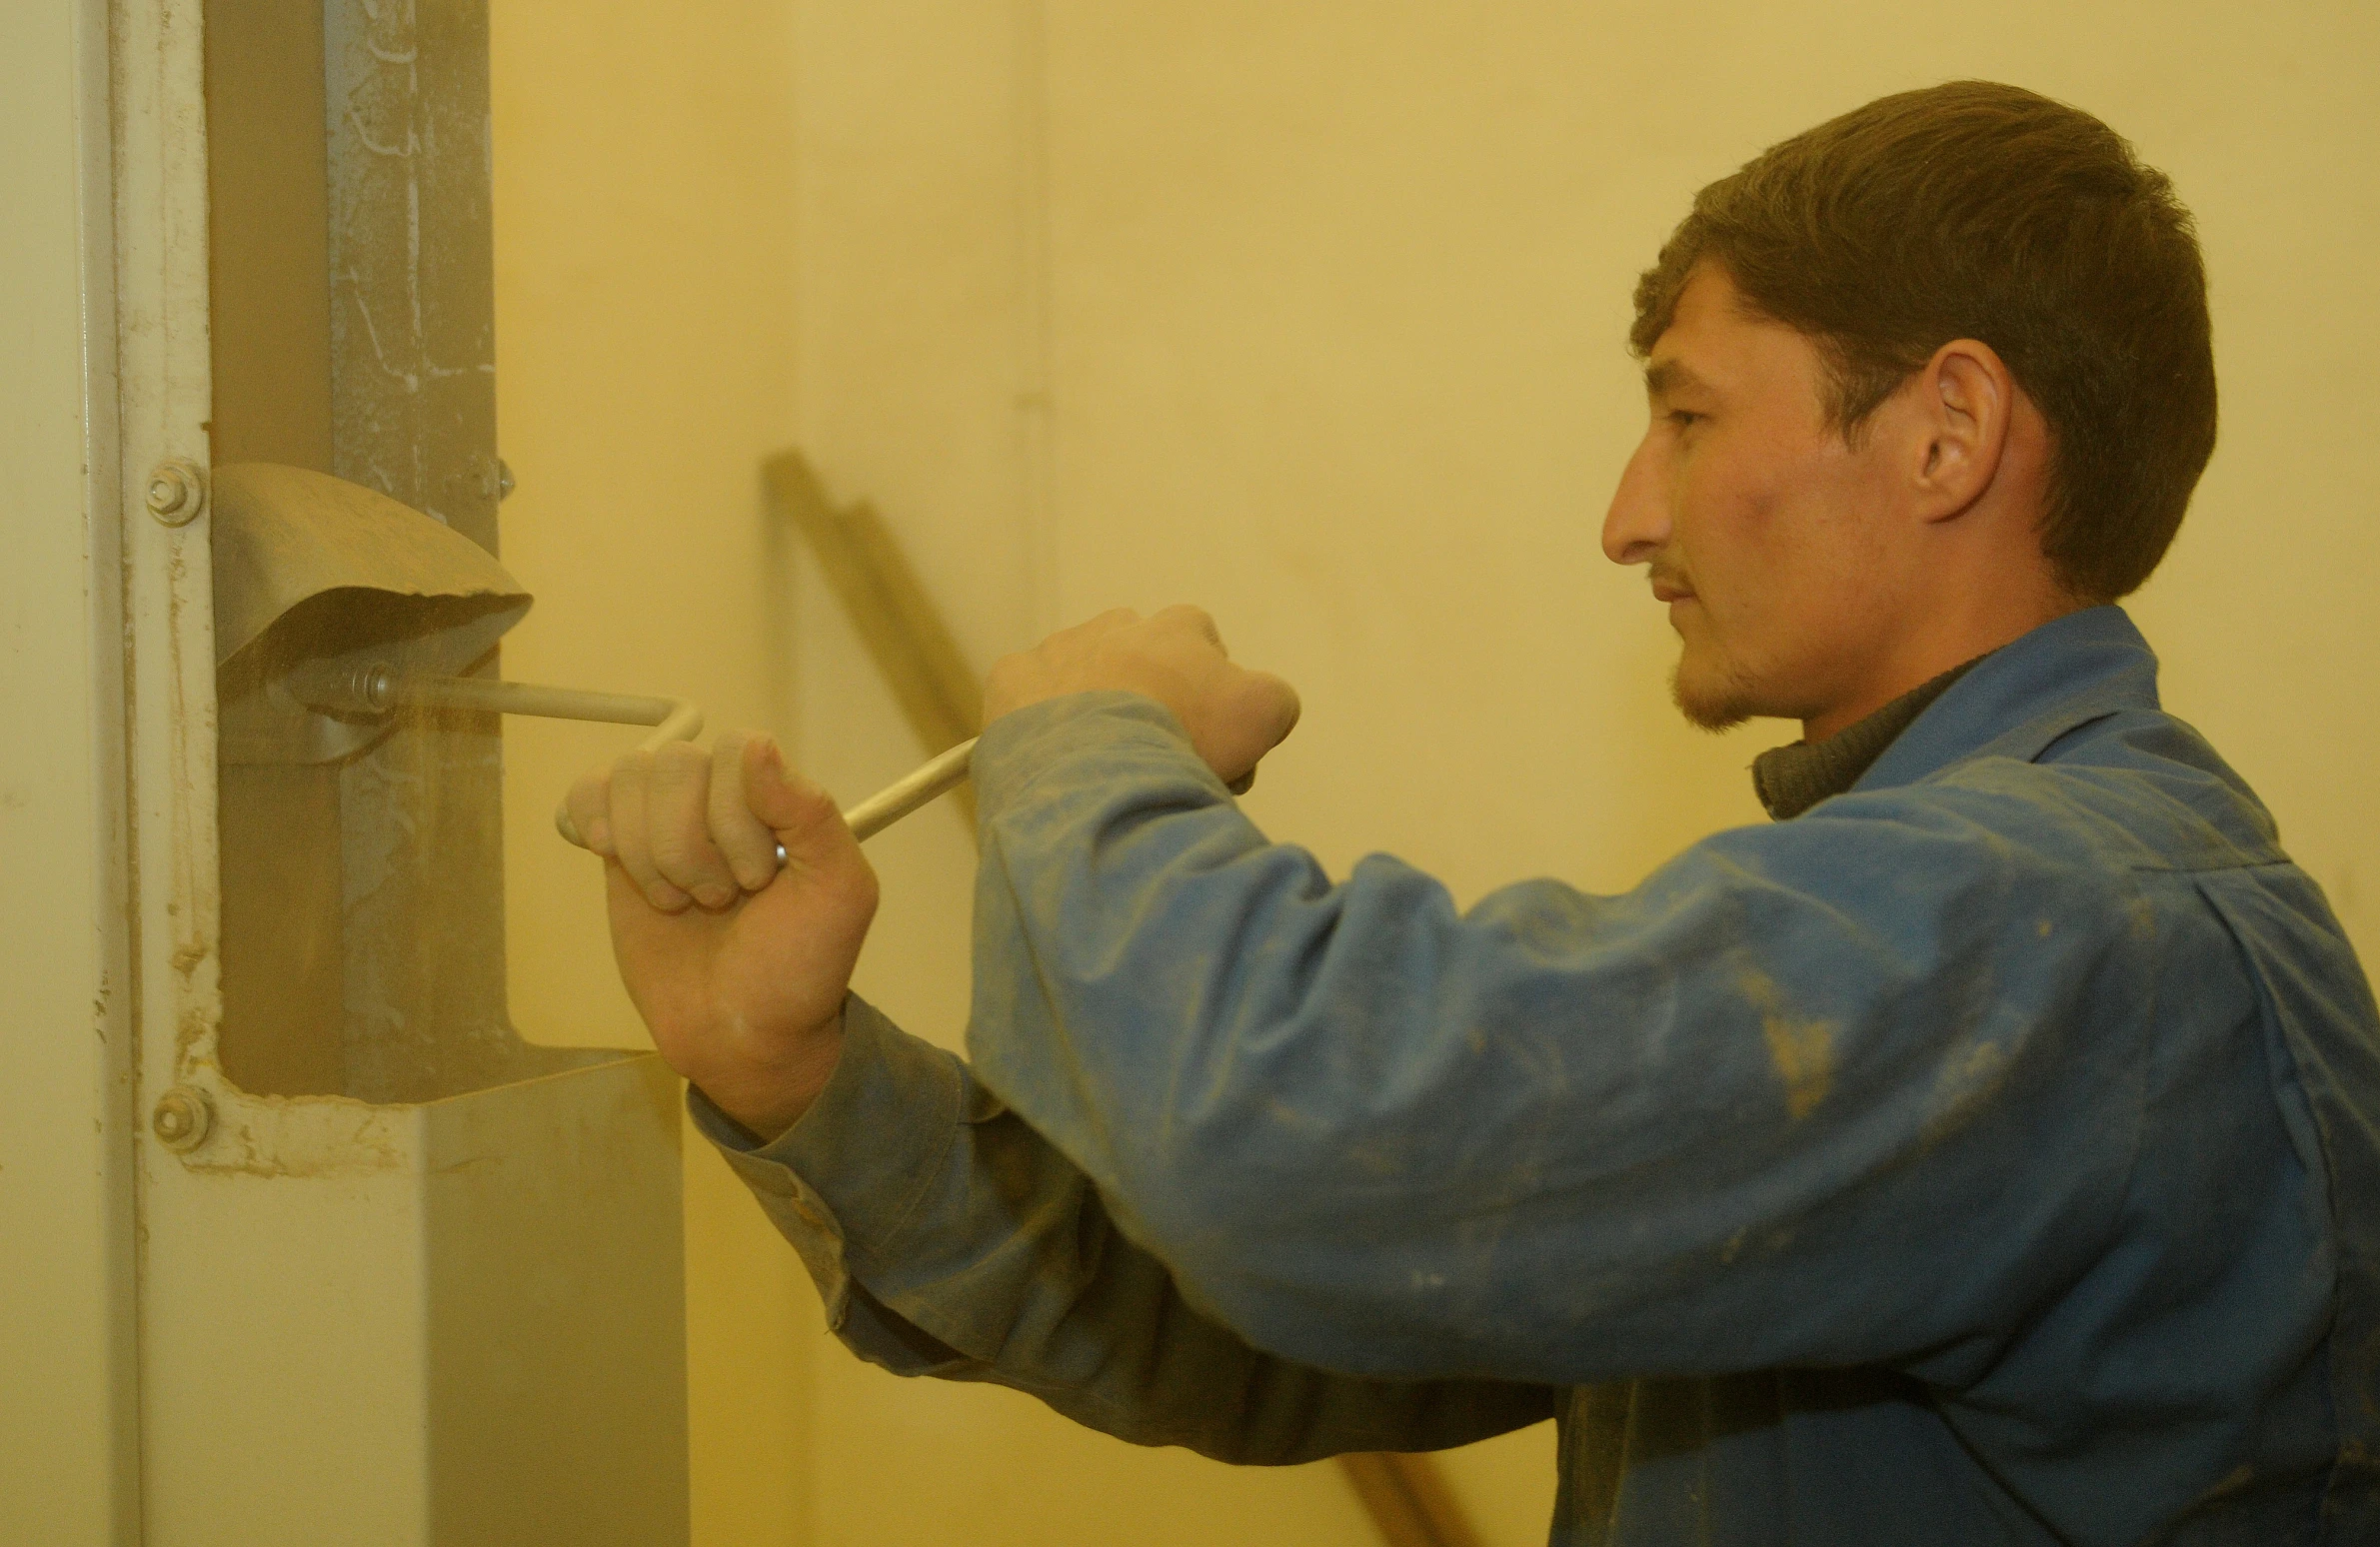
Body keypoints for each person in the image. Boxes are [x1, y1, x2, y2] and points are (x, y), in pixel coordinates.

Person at [565, 81, 2380, 1545]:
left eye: (1684, 416)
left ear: (1946, 432)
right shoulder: (1975, 915)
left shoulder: (2066, 925)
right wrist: (800, 1074)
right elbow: (1273, 1314)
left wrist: (1091, 744)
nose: (1626, 518)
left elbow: (1283, 1157)